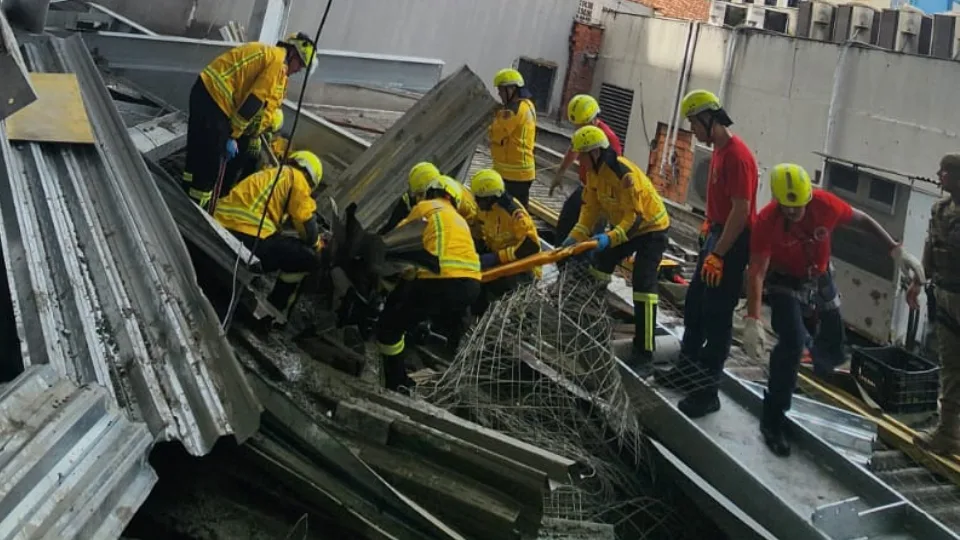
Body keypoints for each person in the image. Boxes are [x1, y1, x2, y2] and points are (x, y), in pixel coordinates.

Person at [743, 164, 924, 457]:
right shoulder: (767, 221)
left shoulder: (825, 205)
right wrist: (752, 318)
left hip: (819, 277)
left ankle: (800, 383)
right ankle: (773, 420)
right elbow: (757, 272)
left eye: (798, 206)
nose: (792, 212)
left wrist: (894, 249)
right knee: (791, 343)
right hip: (784, 282)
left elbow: (863, 220)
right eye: (786, 207)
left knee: (832, 347)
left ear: (808, 198)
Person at [661, 89, 758, 419]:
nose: (692, 130)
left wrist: (719, 253)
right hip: (716, 236)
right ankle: (686, 373)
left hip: (732, 243)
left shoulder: (737, 156)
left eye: (693, 122)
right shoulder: (717, 151)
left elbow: (742, 211)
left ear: (707, 119)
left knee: (716, 318)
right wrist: (708, 227)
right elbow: (723, 204)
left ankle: (706, 393)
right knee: (695, 308)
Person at [560, 126, 670, 375]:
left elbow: (635, 218)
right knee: (600, 263)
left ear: (595, 152)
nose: (579, 160)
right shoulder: (593, 174)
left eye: (582, 155)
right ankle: (593, 310)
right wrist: (574, 237)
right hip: (627, 227)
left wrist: (610, 238)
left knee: (643, 286)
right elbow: (590, 210)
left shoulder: (623, 173)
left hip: (651, 229)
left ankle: (645, 352)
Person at [182, 33, 317, 211]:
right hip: (215, 101)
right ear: (292, 53)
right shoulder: (276, 62)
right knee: (210, 165)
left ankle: (186, 195)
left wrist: (253, 134)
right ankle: (197, 211)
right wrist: (233, 134)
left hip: (208, 94)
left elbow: (263, 110)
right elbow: (254, 101)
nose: (299, 69)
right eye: (299, 63)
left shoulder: (276, 65)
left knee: (198, 155)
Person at [376, 177, 482, 392]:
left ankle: (396, 382)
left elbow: (397, 239)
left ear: (432, 192)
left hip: (439, 283)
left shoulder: (426, 207)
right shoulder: (458, 220)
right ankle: (445, 351)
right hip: (471, 287)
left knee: (388, 328)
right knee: (418, 311)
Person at [214, 150, 325, 319]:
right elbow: (306, 226)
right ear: (311, 179)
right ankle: (276, 310)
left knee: (280, 242)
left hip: (220, 226)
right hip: (246, 235)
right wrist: (318, 245)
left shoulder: (273, 174)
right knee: (308, 258)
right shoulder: (298, 179)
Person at [910, 153, 960, 456]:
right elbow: (930, 248)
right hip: (945, 297)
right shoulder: (940, 210)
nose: (939, 176)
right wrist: (918, 281)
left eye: (945, 172)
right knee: (951, 367)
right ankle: (948, 433)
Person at [552, 94, 623, 242]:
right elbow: (573, 150)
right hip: (586, 187)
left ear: (592, 119)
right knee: (566, 221)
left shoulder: (609, 139)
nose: (577, 129)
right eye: (576, 125)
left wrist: (605, 208)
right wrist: (560, 174)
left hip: (600, 195)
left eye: (580, 125)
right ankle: (559, 256)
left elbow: (616, 175)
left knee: (589, 236)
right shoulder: (584, 132)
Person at [471, 169, 542, 314]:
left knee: (494, 291)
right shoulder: (485, 209)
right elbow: (479, 228)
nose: (476, 202)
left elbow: (531, 246)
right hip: (500, 261)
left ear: (491, 198)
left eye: (479, 198)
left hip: (522, 268)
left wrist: (497, 257)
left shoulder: (514, 214)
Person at [488, 68, 537, 208]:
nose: (499, 93)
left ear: (512, 89)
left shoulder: (514, 110)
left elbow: (496, 134)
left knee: (513, 213)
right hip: (513, 172)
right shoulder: (526, 105)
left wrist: (493, 121)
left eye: (501, 90)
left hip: (515, 175)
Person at [380, 162, 442, 235]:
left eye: (420, 194)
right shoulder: (407, 202)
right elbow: (390, 230)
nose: (417, 199)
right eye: (414, 194)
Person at [226, 108, 285, 185]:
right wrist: (253, 137)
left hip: (242, 137)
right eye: (268, 129)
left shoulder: (263, 119)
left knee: (251, 159)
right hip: (235, 135)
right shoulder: (255, 121)